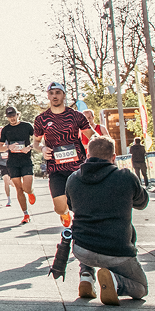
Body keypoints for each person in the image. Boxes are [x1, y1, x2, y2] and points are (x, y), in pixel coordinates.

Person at [67, 135, 149, 304]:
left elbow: (71, 207)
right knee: (141, 288)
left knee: (86, 228)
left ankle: (86, 275)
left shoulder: (73, 178)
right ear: (114, 157)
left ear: (88, 155)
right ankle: (116, 282)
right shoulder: (126, 176)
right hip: (117, 251)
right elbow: (142, 203)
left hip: (82, 249)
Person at [34, 82, 92, 228]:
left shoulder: (76, 116)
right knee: (59, 208)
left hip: (78, 167)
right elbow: (35, 143)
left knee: (82, 204)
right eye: (51, 93)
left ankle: (82, 228)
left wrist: (101, 146)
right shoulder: (41, 119)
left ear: (64, 95)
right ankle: (64, 213)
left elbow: (92, 136)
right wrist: (42, 149)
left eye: (58, 93)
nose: (55, 96)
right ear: (48, 96)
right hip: (56, 169)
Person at [0, 106, 36, 224]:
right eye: (9, 117)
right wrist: (9, 147)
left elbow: (38, 139)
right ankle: (26, 214)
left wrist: (29, 147)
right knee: (19, 189)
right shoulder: (6, 130)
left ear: (17, 115)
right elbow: (0, 148)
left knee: (27, 187)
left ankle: (30, 192)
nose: (12, 118)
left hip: (26, 160)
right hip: (13, 162)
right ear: (7, 118)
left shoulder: (27, 126)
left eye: (13, 116)